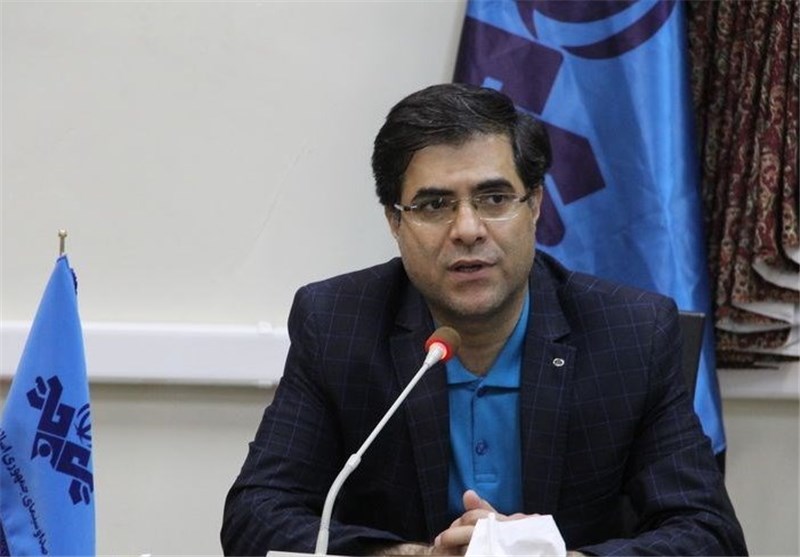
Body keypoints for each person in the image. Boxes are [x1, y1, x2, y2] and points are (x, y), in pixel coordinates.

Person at [221, 83, 747, 556]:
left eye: (494, 198)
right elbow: (255, 517)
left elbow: (709, 534)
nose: (468, 229)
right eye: (434, 205)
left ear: (534, 205)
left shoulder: (630, 332)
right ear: (394, 222)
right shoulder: (337, 323)